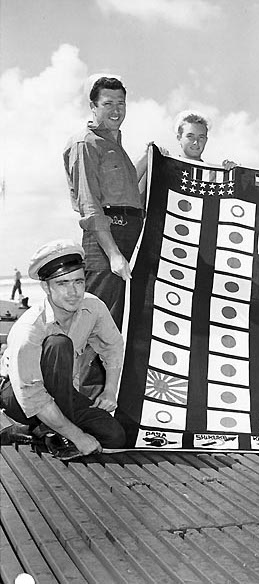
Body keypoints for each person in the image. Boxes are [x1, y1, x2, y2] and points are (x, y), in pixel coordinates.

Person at [0, 240, 126, 460]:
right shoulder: (30, 327)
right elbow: (31, 394)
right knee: (58, 345)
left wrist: (109, 390)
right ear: (46, 287)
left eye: (78, 282)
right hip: (19, 397)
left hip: (63, 393)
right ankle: (54, 431)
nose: (73, 292)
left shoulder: (93, 307)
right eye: (62, 283)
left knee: (114, 437)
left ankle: (35, 432)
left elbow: (112, 346)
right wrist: (78, 437)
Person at [63, 75, 146, 330]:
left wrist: (149, 157)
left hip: (130, 235)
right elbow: (90, 204)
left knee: (123, 322)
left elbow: (128, 192)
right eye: (108, 103)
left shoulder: (116, 145)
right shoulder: (85, 143)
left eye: (121, 103)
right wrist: (113, 255)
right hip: (106, 241)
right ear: (93, 106)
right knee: (99, 325)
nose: (116, 110)